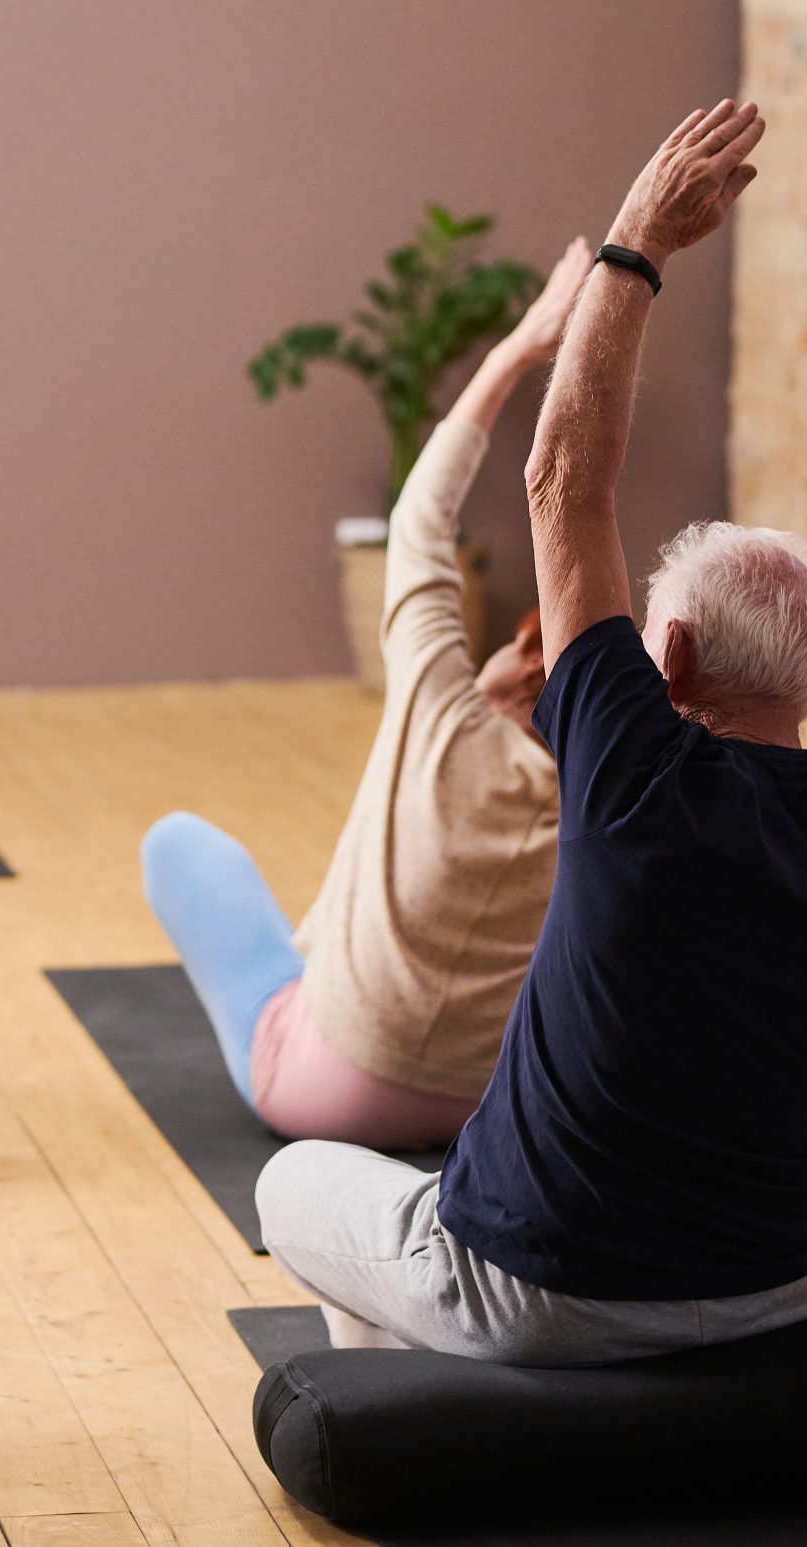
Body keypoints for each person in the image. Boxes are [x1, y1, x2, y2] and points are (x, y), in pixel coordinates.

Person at [258, 101, 807, 1367]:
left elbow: (565, 484)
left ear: (665, 656)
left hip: (542, 1294)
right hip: (793, 1285)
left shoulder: (631, 782)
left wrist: (635, 246)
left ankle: (416, 1410)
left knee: (296, 1181)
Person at [138, 237, 592, 1150]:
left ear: (517, 664)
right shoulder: (618, 791)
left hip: (327, 1090)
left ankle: (308, 991)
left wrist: (518, 352)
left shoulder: (443, 711)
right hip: (499, 1108)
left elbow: (420, 518)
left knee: (180, 847)